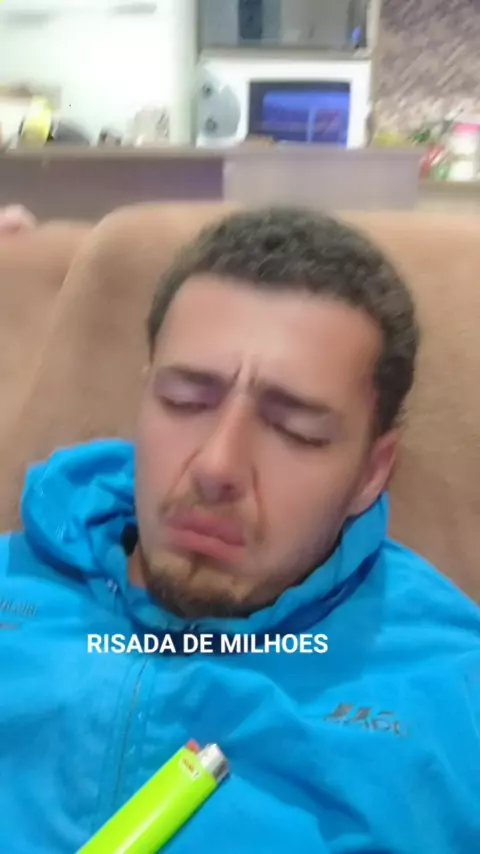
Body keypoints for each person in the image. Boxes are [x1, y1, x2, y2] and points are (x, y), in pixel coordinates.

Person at [0, 207, 478, 854]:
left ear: (371, 472)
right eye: (184, 401)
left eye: (295, 431)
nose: (217, 467)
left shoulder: (453, 692)